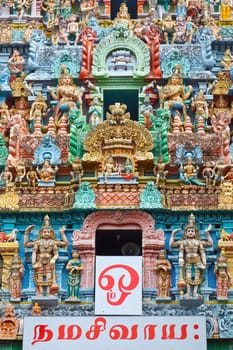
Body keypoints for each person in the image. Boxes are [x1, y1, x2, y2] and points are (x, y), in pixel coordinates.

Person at [170, 213, 213, 298]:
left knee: (197, 276)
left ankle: (195, 293)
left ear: (195, 232)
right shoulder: (183, 242)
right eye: (188, 231)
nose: (190, 232)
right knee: (188, 276)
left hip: (197, 260)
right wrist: (172, 235)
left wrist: (207, 234)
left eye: (192, 231)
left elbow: (210, 244)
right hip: (187, 260)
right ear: (186, 232)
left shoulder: (198, 242)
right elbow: (172, 244)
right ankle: (189, 292)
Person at [24, 215, 68, 296]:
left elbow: (64, 244)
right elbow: (26, 244)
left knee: (49, 277)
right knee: (39, 277)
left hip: (49, 262)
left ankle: (48, 293)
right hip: (39, 261)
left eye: (48, 232)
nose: (46, 233)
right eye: (44, 232)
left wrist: (62, 233)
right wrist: (27, 233)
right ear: (41, 233)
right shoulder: (38, 242)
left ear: (51, 233)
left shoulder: (53, 242)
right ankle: (40, 293)